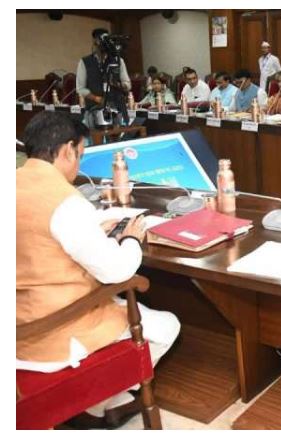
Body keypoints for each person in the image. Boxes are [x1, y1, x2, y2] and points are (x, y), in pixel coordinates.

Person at [16, 111, 181, 428]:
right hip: (54, 333)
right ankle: (98, 404)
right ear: (67, 150)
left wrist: (92, 228)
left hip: (17, 324)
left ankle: (107, 401)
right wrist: (131, 239)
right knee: (167, 325)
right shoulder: (64, 202)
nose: (78, 164)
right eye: (79, 154)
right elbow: (116, 271)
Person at [76, 28, 132, 126]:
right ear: (94, 42)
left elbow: (127, 84)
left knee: (118, 134)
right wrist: (96, 98)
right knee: (95, 134)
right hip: (94, 110)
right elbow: (80, 88)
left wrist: (119, 85)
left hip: (116, 108)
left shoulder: (118, 60)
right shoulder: (85, 62)